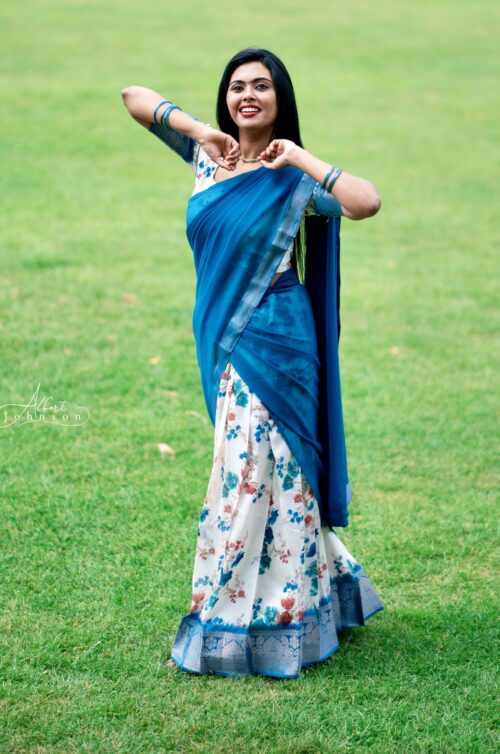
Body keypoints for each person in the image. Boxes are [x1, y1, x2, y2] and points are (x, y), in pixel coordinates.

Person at [121, 47, 384, 679]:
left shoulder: (296, 182)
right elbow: (133, 97)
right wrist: (198, 130)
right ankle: (309, 596)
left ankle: (243, 616)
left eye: (261, 86)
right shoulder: (205, 158)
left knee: (263, 473)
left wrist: (300, 158)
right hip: (221, 335)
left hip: (279, 343)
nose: (247, 95)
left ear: (279, 99)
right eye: (238, 86)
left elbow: (365, 201)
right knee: (251, 469)